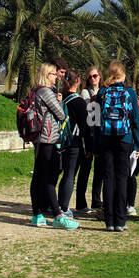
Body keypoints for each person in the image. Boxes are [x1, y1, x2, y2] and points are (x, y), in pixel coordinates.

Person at [28, 62, 78, 230]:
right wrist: (60, 101)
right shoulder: (46, 92)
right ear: (46, 75)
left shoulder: (35, 91)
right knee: (49, 177)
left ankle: (37, 214)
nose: (56, 77)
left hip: (39, 139)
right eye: (53, 74)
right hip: (48, 139)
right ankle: (58, 215)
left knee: (38, 177)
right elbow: (61, 114)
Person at [94, 61, 139, 232]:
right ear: (123, 74)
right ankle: (121, 221)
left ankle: (109, 221)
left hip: (105, 139)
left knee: (108, 179)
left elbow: (94, 119)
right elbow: (135, 119)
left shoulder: (102, 92)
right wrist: (137, 143)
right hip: (125, 139)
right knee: (122, 179)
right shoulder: (130, 93)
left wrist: (96, 142)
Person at [56, 69, 90, 217]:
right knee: (70, 175)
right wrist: (89, 146)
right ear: (78, 81)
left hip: (60, 141)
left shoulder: (61, 98)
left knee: (62, 174)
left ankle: (57, 204)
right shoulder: (79, 101)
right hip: (74, 142)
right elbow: (85, 126)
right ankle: (64, 207)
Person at [75, 66, 104, 216]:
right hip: (88, 133)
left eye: (95, 76)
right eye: (90, 77)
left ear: (100, 76)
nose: (93, 79)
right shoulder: (86, 92)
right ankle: (81, 202)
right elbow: (87, 110)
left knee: (99, 170)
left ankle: (96, 199)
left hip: (100, 133)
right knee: (85, 168)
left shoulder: (104, 90)